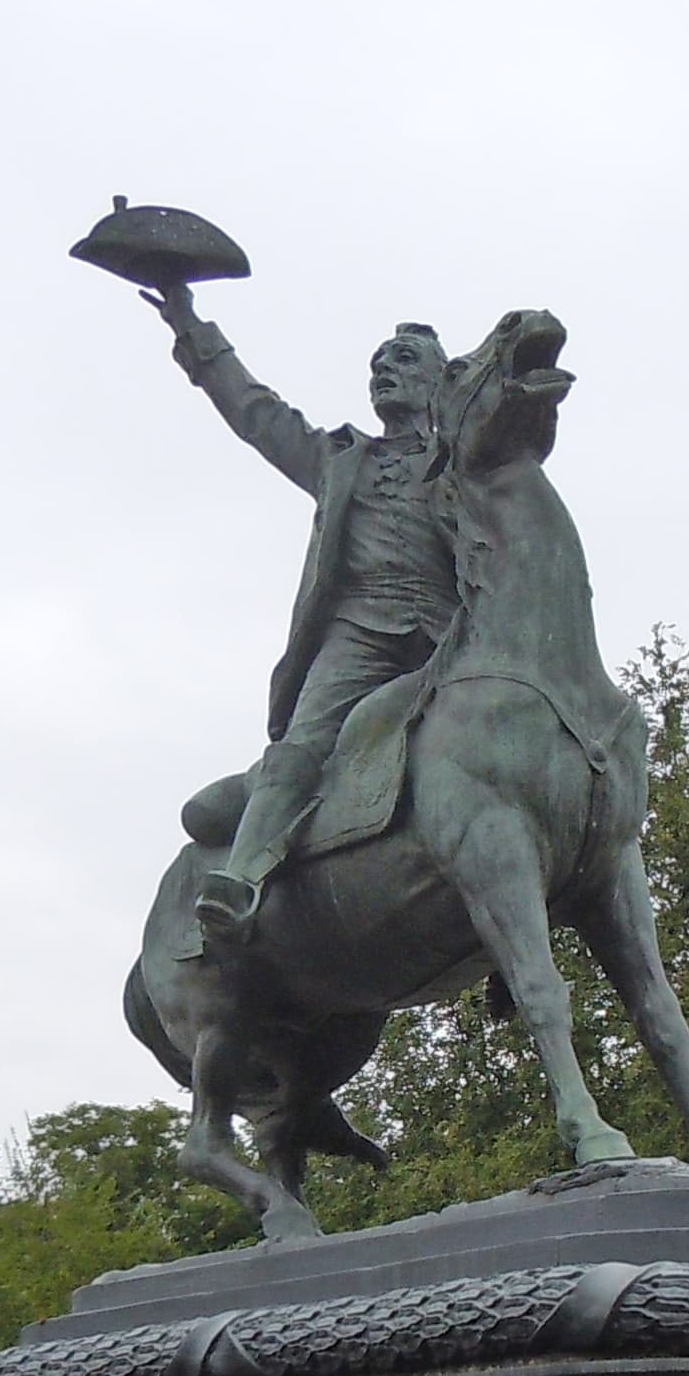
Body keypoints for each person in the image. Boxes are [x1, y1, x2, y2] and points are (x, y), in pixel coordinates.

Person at [144, 279, 459, 946]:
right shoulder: (337, 459)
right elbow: (256, 413)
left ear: (439, 385)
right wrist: (188, 325)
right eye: (378, 362)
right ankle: (242, 881)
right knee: (303, 749)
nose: (383, 371)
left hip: (450, 640)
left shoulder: (467, 467)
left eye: (403, 361)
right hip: (360, 635)